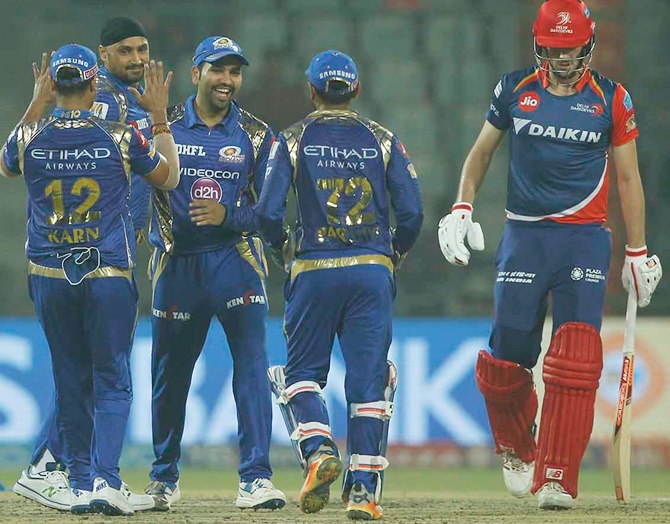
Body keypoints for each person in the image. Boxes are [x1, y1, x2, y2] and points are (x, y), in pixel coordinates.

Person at [437, 0, 662, 510]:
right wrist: (462, 205)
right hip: (525, 238)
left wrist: (638, 251)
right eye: (554, 50)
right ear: (539, 45)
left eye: (571, 50)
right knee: (506, 359)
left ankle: (557, 475)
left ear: (590, 44)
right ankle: (519, 447)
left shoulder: (612, 98)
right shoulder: (514, 88)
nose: (562, 60)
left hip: (584, 239)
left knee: (577, 358)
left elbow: (628, 177)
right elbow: (481, 152)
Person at [1, 44, 180, 515]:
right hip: (106, 271)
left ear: (53, 84)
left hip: (48, 273)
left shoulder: (31, 136)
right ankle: (107, 481)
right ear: (96, 83)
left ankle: (78, 484)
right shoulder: (121, 137)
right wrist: (160, 120)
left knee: (70, 377)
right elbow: (169, 179)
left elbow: (4, 163)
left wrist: (36, 103)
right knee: (113, 379)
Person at [256, 50, 423, 520]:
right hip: (371, 268)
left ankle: (318, 450)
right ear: (356, 91)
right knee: (371, 383)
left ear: (311, 91)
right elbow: (412, 213)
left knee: (302, 374)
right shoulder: (383, 139)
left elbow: (268, 212)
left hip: (314, 269)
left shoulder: (292, 139)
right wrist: (392, 255)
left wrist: (283, 250)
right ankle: (363, 493)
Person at [144, 36, 285, 512]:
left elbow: (270, 215)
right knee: (170, 375)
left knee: (250, 366)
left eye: (234, 72)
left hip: (235, 261)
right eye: (217, 70)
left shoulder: (258, 134)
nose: (227, 80)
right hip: (177, 263)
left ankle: (256, 479)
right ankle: (163, 478)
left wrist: (230, 216)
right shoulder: (157, 125)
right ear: (195, 73)